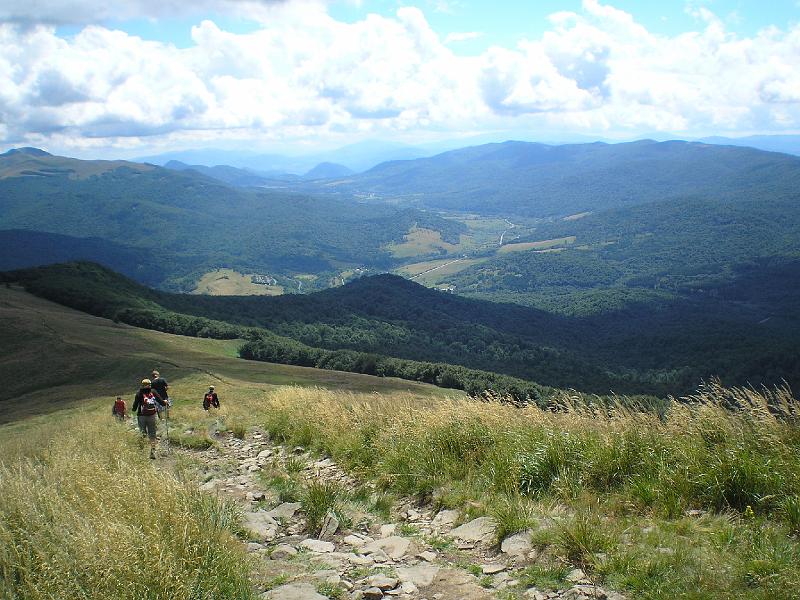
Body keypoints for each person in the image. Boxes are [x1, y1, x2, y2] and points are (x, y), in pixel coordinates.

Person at [133, 378, 167, 459]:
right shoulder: (153, 391)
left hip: (141, 416)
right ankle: (152, 452)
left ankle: (141, 451)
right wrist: (165, 402)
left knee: (142, 433)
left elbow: (135, 406)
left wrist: (134, 409)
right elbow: (161, 402)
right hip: (152, 415)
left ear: (142, 385)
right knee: (152, 434)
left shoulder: (139, 393)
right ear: (150, 384)